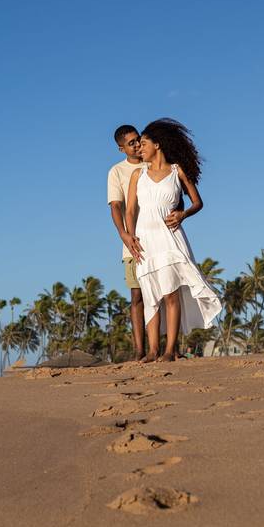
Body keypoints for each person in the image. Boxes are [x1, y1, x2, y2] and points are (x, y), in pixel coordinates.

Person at [125, 118, 221, 362]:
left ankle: (169, 351)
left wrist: (183, 213)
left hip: (170, 238)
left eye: (143, 144)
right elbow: (129, 211)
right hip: (145, 239)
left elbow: (197, 202)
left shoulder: (177, 171)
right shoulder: (138, 175)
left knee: (170, 294)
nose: (139, 148)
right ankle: (153, 350)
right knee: (150, 295)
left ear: (157, 145)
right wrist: (130, 238)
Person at [107, 125, 149, 360]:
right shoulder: (117, 171)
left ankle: (162, 348)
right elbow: (115, 205)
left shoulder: (153, 162)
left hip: (158, 236)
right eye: (131, 143)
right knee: (137, 295)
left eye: (138, 140)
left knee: (164, 295)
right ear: (121, 148)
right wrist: (123, 234)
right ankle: (139, 351)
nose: (136, 145)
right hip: (133, 240)